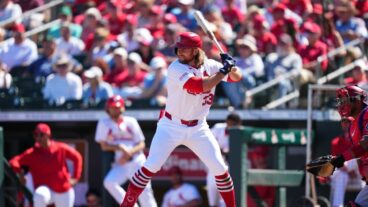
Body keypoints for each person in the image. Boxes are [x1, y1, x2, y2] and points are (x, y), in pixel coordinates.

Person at [120, 31, 242, 207]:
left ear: (195, 50)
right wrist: (223, 71)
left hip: (199, 127)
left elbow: (237, 78)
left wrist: (231, 66)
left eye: (184, 49)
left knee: (220, 169)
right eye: (178, 48)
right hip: (171, 125)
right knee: (151, 166)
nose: (179, 52)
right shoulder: (176, 68)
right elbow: (200, 86)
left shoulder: (211, 66)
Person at [95, 95, 157, 206]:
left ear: (123, 108)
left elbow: (142, 143)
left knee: (145, 192)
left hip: (137, 161)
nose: (116, 110)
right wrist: (119, 147)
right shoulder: (104, 123)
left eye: (118, 107)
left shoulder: (131, 121)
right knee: (109, 182)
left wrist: (129, 152)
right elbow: (103, 146)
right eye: (113, 107)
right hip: (121, 163)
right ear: (108, 108)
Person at [9, 123, 83, 207]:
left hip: (63, 189)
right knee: (39, 195)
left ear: (48, 135)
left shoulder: (60, 148)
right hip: (46, 190)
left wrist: (75, 178)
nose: (38, 138)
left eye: (41, 134)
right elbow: (14, 161)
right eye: (36, 135)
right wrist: (20, 172)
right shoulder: (32, 153)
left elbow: (77, 157)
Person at [327, 85, 368, 206]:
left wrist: (342, 158)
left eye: (345, 100)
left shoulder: (366, 114)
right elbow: (362, 156)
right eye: (340, 101)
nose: (342, 104)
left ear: (357, 100)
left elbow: (366, 143)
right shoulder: (353, 125)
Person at [207, 113, 242, 207]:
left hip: (228, 167)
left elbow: (234, 152)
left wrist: (225, 152)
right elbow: (207, 140)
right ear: (227, 122)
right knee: (213, 200)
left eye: (235, 124)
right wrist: (219, 150)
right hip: (213, 166)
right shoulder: (218, 128)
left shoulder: (239, 132)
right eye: (231, 123)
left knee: (225, 200)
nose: (233, 125)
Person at [329, 117, 364, 207]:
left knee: (356, 159)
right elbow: (336, 162)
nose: (346, 125)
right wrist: (348, 171)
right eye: (344, 122)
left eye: (348, 122)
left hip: (357, 175)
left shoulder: (358, 141)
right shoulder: (336, 142)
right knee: (342, 175)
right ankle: (337, 205)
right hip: (341, 174)